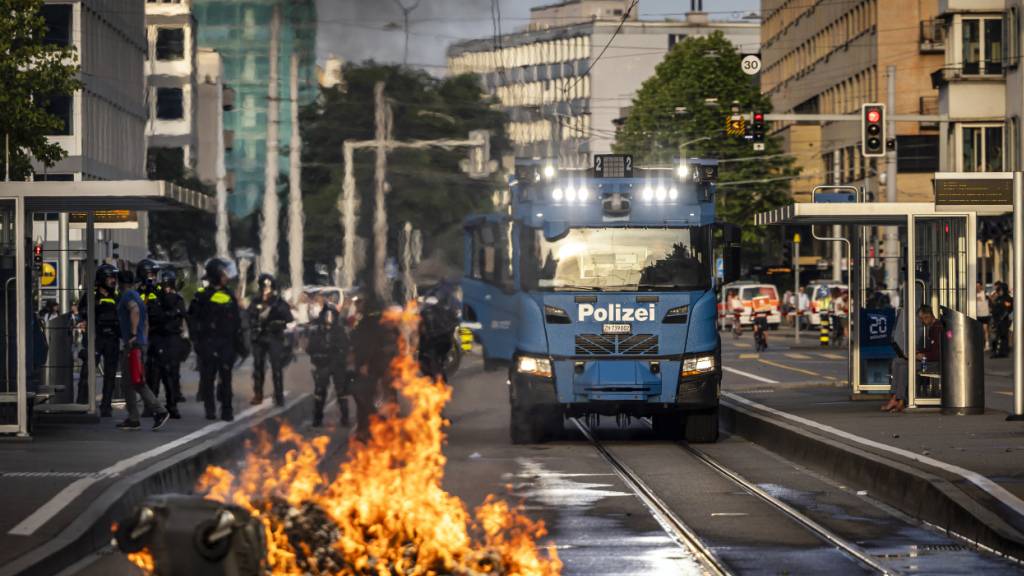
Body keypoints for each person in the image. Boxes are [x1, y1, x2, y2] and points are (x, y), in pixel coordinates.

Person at [190, 258, 244, 421]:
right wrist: (197, 341)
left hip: (226, 343)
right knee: (208, 378)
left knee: (226, 377)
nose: (226, 277)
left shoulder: (229, 295)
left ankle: (227, 409)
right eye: (223, 274)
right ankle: (210, 409)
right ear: (216, 275)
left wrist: (238, 344)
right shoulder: (201, 296)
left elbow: (237, 321)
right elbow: (192, 320)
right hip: (207, 343)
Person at [115, 269, 169, 430]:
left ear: (120, 282)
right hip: (139, 343)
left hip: (133, 344)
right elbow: (146, 323)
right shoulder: (138, 296)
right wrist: (143, 339)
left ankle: (159, 411)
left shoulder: (128, 296)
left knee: (136, 381)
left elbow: (135, 311)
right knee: (130, 382)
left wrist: (133, 335)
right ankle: (133, 418)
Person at [350, 298, 400, 440]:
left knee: (365, 398)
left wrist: (364, 363)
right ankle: (390, 426)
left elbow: (366, 345)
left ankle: (367, 430)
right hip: (388, 365)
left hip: (374, 366)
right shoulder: (387, 323)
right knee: (388, 395)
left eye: (359, 304)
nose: (357, 307)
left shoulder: (368, 324)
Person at [75, 264, 121, 416]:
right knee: (87, 372)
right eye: (110, 278)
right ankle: (82, 404)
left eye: (114, 278)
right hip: (96, 337)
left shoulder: (117, 296)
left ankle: (106, 406)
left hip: (112, 338)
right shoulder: (91, 295)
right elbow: (81, 312)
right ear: (102, 279)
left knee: (110, 374)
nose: (113, 281)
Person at [883, 305, 943, 413]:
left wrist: (922, 355)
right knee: (897, 361)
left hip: (934, 363)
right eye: (921, 319)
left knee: (904, 367)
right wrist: (918, 352)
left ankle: (900, 399)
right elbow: (931, 349)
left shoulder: (937, 328)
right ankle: (895, 397)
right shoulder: (932, 327)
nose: (922, 322)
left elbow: (937, 353)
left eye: (923, 318)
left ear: (929, 316)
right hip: (928, 360)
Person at [247, 273, 293, 406]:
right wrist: (256, 319)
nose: (266, 289)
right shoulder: (255, 301)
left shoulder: (278, 301)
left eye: (269, 287)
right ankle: (258, 394)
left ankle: (279, 396)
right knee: (258, 366)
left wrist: (276, 314)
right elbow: (249, 316)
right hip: (259, 337)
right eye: (264, 286)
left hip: (274, 336)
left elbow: (288, 317)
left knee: (276, 367)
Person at [147, 267, 187, 419]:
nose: (167, 288)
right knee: (156, 374)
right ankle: (156, 406)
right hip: (160, 338)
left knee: (169, 374)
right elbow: (153, 316)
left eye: (168, 285)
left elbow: (183, 316)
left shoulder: (176, 299)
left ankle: (171, 405)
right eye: (166, 285)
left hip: (170, 339)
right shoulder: (157, 298)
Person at [309, 291, 352, 427]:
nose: (329, 317)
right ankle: (317, 418)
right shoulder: (317, 330)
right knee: (320, 392)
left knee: (341, 391)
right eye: (326, 315)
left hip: (337, 364)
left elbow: (346, 346)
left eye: (331, 315)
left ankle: (345, 417)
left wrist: (341, 356)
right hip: (323, 364)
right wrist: (316, 357)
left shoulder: (339, 330)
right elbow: (311, 347)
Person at [991, 282, 1014, 358]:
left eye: (1001, 289)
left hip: (1003, 320)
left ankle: (1003, 352)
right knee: (997, 336)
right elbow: (994, 307)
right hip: (996, 320)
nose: (1000, 291)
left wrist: (1002, 317)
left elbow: (1008, 309)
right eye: (999, 290)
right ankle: (997, 352)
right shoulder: (998, 298)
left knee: (1003, 336)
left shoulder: (1007, 298)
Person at [977, 281, 991, 352]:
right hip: (977, 315)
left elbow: (991, 301)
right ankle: (980, 344)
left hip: (985, 315)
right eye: (976, 286)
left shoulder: (985, 293)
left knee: (985, 330)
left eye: (978, 286)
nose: (977, 287)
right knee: (979, 331)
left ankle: (987, 344)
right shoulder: (973, 294)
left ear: (981, 286)